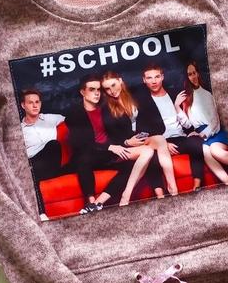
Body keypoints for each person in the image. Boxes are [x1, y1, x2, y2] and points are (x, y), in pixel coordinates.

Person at [136, 63, 228, 189]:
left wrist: (191, 130)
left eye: (157, 76)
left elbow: (189, 119)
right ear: (144, 80)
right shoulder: (143, 103)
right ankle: (162, 192)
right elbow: (144, 130)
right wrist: (163, 145)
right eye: (149, 78)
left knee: (197, 143)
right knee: (152, 158)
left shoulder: (176, 94)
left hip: (182, 137)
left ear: (162, 77)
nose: (154, 81)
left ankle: (197, 184)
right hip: (163, 140)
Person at [64, 75, 140, 213]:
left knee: (134, 164)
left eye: (98, 89)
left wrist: (126, 142)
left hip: (108, 154)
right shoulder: (74, 113)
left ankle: (99, 202)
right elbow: (82, 143)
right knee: (83, 159)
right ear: (82, 92)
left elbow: (122, 131)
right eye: (92, 89)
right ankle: (91, 201)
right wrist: (110, 147)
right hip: (90, 154)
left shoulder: (108, 107)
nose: (97, 93)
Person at [101, 70, 179, 198]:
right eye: (107, 89)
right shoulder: (106, 108)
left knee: (160, 139)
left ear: (120, 81)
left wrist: (144, 136)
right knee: (151, 153)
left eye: (113, 85)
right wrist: (127, 142)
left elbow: (157, 123)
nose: (112, 91)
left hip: (143, 139)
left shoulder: (137, 94)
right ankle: (157, 193)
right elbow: (112, 136)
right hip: (125, 147)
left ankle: (172, 186)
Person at [176, 61, 228, 170]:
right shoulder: (187, 99)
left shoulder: (207, 94)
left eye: (194, 73)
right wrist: (177, 107)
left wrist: (203, 133)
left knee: (215, 151)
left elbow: (215, 120)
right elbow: (188, 125)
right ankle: (227, 180)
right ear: (186, 77)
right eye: (190, 74)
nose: (193, 77)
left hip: (215, 133)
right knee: (205, 152)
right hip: (202, 137)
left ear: (198, 73)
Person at [20, 88, 65, 219]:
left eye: (37, 102)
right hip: (34, 162)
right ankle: (41, 214)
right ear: (23, 105)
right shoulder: (19, 129)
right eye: (30, 102)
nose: (35, 105)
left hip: (51, 161)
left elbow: (75, 119)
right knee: (30, 174)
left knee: (53, 144)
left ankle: (36, 174)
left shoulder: (51, 118)